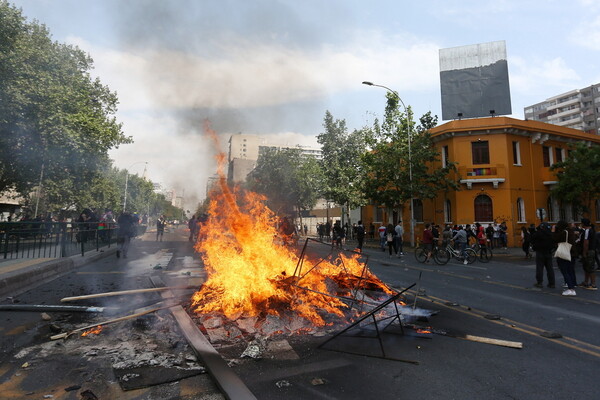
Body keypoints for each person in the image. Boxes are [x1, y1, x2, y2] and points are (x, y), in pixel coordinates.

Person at [553, 220, 578, 296]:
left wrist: (553, 231)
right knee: (570, 270)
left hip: (565, 253)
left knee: (565, 271)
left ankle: (571, 289)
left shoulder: (564, 232)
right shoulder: (570, 231)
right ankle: (572, 285)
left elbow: (555, 239)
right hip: (571, 253)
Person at [530, 222, 556, 288]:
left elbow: (532, 240)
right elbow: (553, 242)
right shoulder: (550, 234)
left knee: (539, 268)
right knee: (550, 268)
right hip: (548, 252)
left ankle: (539, 282)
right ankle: (552, 283)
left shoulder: (538, 233)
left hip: (540, 252)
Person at [578, 218, 597, 290]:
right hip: (592, 250)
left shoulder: (587, 231)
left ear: (583, 224)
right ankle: (586, 282)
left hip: (589, 251)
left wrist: (584, 252)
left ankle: (593, 284)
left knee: (590, 268)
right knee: (586, 267)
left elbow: (586, 243)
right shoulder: (591, 230)